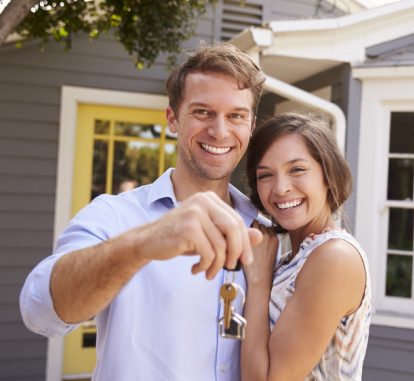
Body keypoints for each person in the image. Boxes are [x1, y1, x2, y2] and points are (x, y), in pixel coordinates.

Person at [19, 41, 266, 380]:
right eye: (202, 112)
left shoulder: (268, 228)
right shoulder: (115, 215)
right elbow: (39, 312)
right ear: (172, 119)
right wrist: (142, 243)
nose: (219, 131)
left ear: (251, 126)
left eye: (235, 116)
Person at [241, 113, 371, 380]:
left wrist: (258, 282)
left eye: (297, 169)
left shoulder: (335, 258)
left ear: (328, 174)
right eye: (265, 175)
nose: (281, 188)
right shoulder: (295, 257)